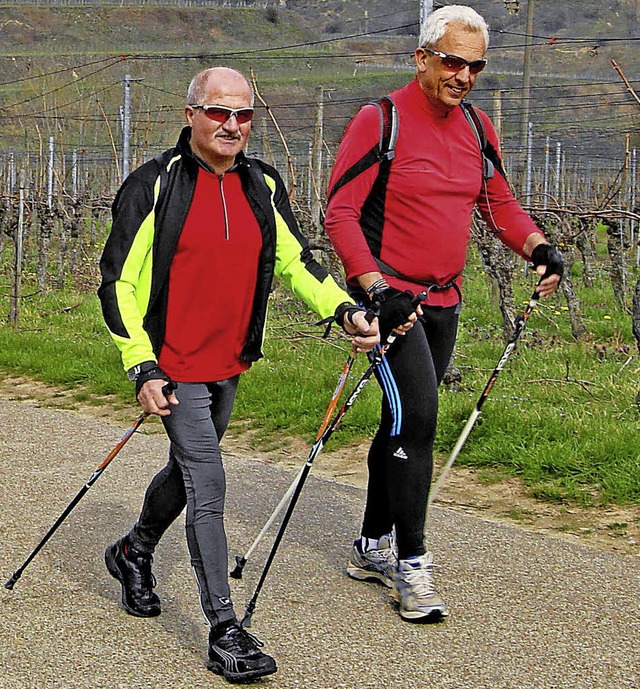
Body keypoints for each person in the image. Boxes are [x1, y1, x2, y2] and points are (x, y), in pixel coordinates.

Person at [98, 66, 379, 684]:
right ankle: (225, 628)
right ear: (191, 114)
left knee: (188, 473)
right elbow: (116, 282)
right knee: (210, 483)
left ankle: (133, 549)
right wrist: (140, 364)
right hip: (171, 363)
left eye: (243, 114)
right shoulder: (155, 185)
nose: (232, 125)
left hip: (229, 361)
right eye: (218, 112)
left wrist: (344, 308)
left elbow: (295, 260)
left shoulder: (262, 184)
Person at [323, 5, 563, 624]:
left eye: (475, 65)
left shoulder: (479, 129)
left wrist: (537, 246)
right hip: (392, 307)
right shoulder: (382, 121)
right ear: (423, 57)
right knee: (421, 419)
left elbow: (498, 203)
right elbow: (340, 213)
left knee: (400, 423)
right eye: (452, 61)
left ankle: (370, 544)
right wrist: (373, 287)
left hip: (444, 303)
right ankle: (412, 562)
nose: (463, 75)